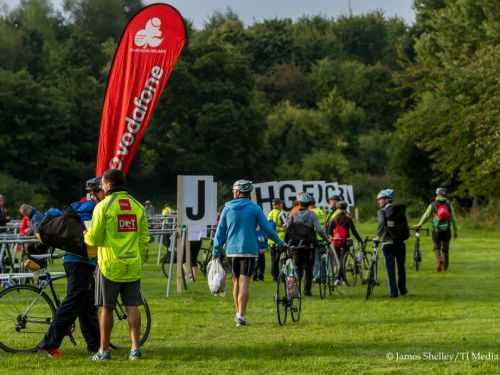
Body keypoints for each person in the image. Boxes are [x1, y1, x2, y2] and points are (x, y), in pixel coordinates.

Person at [84, 169, 150, 361]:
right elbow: (144, 237)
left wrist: (85, 236)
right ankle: (135, 349)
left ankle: (104, 351)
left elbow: (94, 238)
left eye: (103, 184)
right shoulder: (138, 206)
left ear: (108, 185)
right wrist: (137, 253)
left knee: (107, 307)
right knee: (132, 306)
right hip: (133, 265)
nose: (102, 188)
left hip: (110, 265)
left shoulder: (103, 207)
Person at [37, 177, 104, 358]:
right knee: (73, 302)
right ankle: (49, 344)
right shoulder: (94, 208)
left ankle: (95, 344)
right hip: (81, 261)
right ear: (96, 192)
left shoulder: (79, 205)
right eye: (103, 190)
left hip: (75, 260)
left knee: (87, 304)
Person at [213, 180, 284, 327]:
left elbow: (220, 232)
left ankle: (237, 313)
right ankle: (241, 315)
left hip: (231, 250)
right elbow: (268, 229)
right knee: (244, 282)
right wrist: (280, 242)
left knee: (235, 282)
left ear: (238, 192)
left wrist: (216, 250)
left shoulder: (227, 207)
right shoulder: (254, 208)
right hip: (249, 250)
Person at [286, 193, 329, 296]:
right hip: (309, 246)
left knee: (297, 267)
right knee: (308, 268)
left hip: (295, 246)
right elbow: (319, 230)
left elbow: (288, 228)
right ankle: (307, 290)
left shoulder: (293, 215)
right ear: (309, 203)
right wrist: (326, 239)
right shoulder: (312, 215)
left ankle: (296, 289)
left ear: (299, 203)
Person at [376, 189, 409, 298]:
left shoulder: (382, 212)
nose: (378, 202)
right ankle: (403, 290)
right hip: (400, 242)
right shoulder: (400, 210)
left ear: (386, 199)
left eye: (380, 199)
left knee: (390, 269)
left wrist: (378, 236)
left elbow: (381, 224)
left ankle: (393, 292)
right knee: (401, 267)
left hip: (387, 242)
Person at [415, 187, 458, 272]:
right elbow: (453, 219)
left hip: (436, 230)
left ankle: (439, 259)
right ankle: (445, 268)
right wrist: (455, 231)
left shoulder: (433, 204)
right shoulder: (448, 204)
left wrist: (419, 224)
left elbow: (426, 216)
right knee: (446, 249)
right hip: (447, 230)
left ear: (437, 194)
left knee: (436, 247)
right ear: (445, 195)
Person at [328, 201, 363, 284]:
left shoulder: (334, 218)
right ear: (346, 208)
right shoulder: (348, 218)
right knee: (343, 260)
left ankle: (338, 279)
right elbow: (353, 231)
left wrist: (335, 235)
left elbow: (329, 231)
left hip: (336, 241)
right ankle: (340, 278)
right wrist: (359, 239)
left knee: (338, 260)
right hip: (346, 241)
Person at [267, 198, 287, 282]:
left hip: (271, 240)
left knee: (273, 260)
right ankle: (282, 277)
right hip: (280, 239)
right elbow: (286, 226)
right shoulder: (281, 213)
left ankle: (275, 276)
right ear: (279, 204)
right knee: (282, 259)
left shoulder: (270, 214)